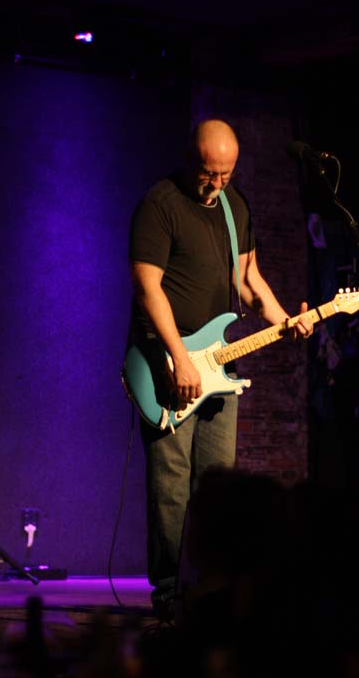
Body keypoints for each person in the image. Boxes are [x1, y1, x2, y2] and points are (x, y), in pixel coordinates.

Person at [127, 118, 313, 619]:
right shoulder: (159, 205)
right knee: (171, 483)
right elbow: (149, 289)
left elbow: (248, 280)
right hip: (167, 364)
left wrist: (284, 319)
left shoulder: (235, 208)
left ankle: (211, 591)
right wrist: (180, 359)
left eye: (226, 175)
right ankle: (168, 595)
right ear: (191, 160)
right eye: (209, 174)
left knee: (217, 484)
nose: (216, 184)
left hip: (218, 367)